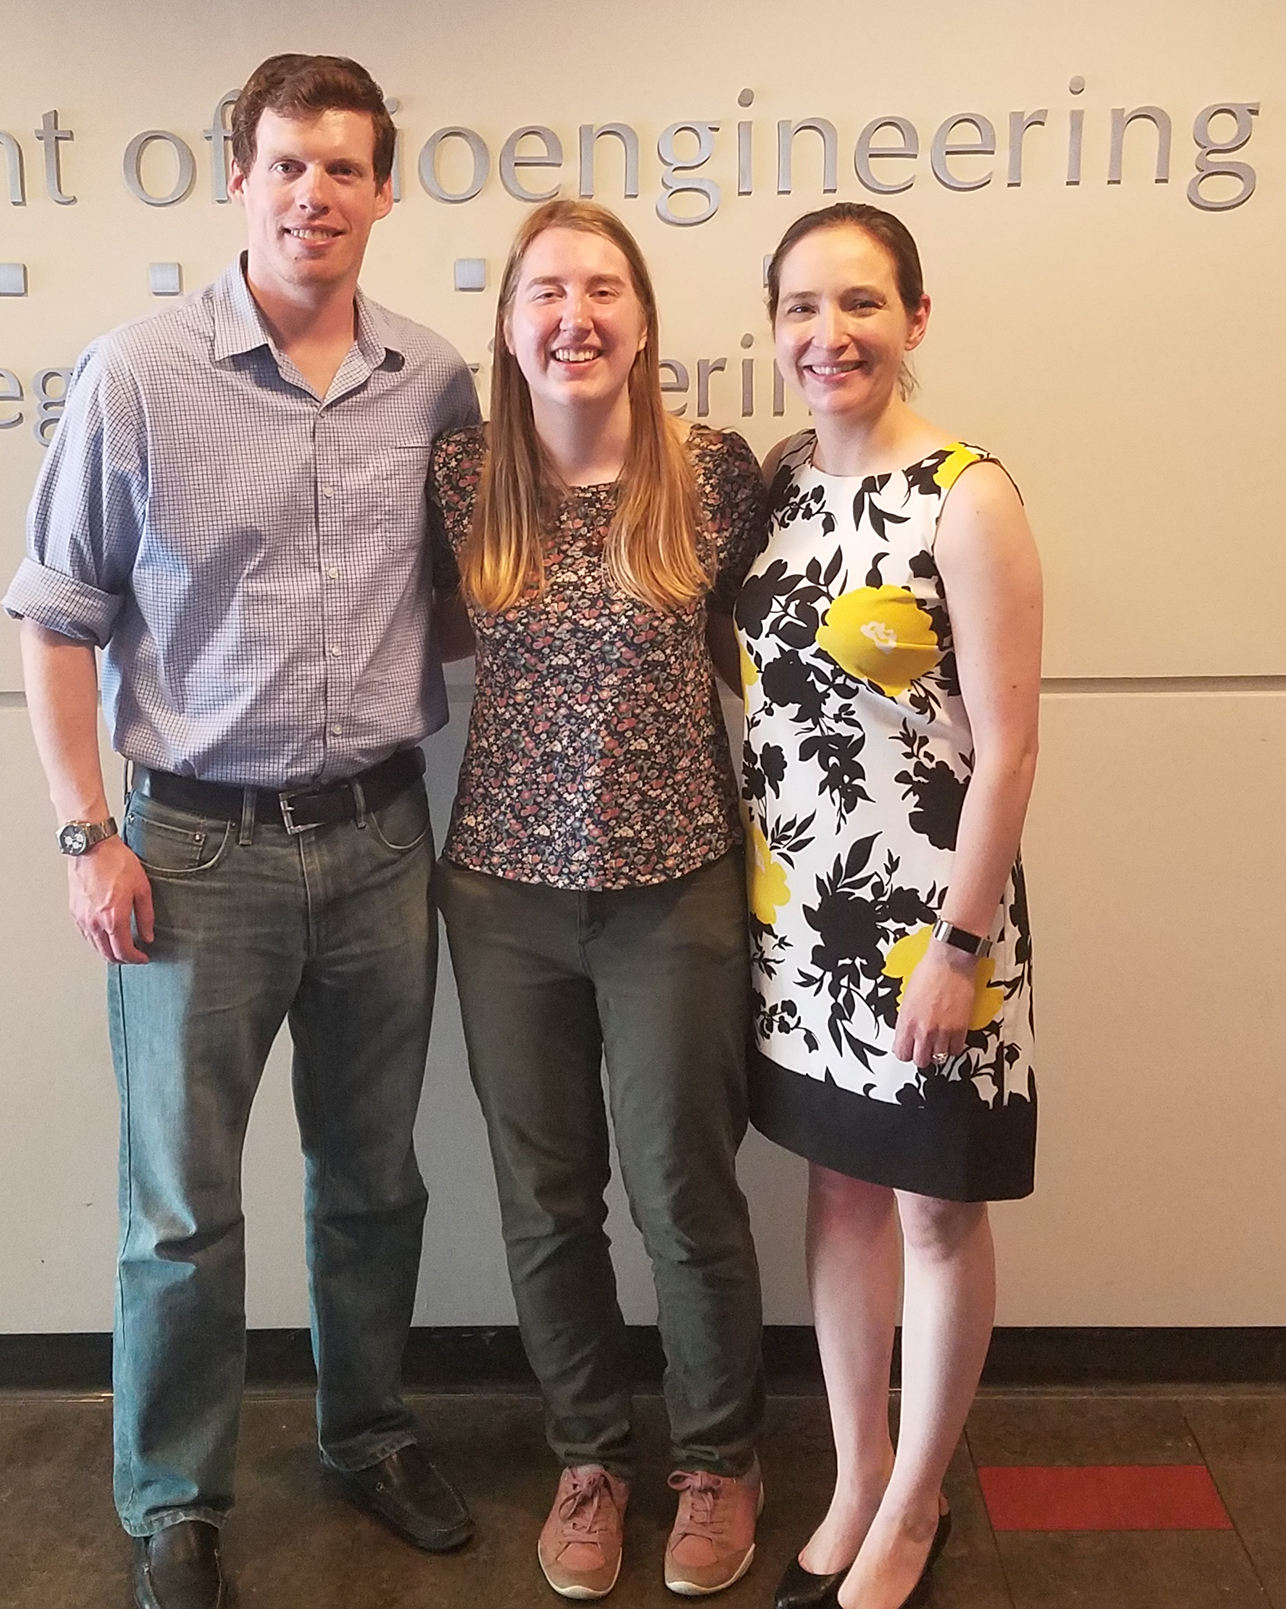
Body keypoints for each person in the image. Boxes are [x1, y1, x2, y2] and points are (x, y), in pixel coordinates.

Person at [4, 54, 481, 1609]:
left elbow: (488, 596)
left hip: (378, 840)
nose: (313, 196)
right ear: (237, 178)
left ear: (384, 189)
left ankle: (367, 1431)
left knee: (374, 1177)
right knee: (181, 1207)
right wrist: (88, 833)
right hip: (191, 853)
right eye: (286, 165)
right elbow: (57, 617)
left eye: (344, 169)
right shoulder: (137, 373)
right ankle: (175, 1499)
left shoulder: (434, 380)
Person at [428, 197, 767, 1600]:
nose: (574, 314)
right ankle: (587, 1458)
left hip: (673, 886)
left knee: (686, 1190)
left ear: (639, 319)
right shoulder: (462, 478)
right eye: (545, 292)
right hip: (501, 894)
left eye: (601, 289)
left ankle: (717, 1460)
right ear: (507, 328)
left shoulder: (715, 477)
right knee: (545, 1196)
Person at [737, 203, 1041, 1609]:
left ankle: (916, 1502)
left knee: (932, 1212)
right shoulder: (781, 485)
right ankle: (856, 1470)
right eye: (801, 307)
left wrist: (958, 950)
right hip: (800, 924)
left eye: (859, 304)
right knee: (842, 1190)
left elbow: (1010, 745)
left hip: (931, 929)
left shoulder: (966, 493)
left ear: (914, 319)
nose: (827, 334)